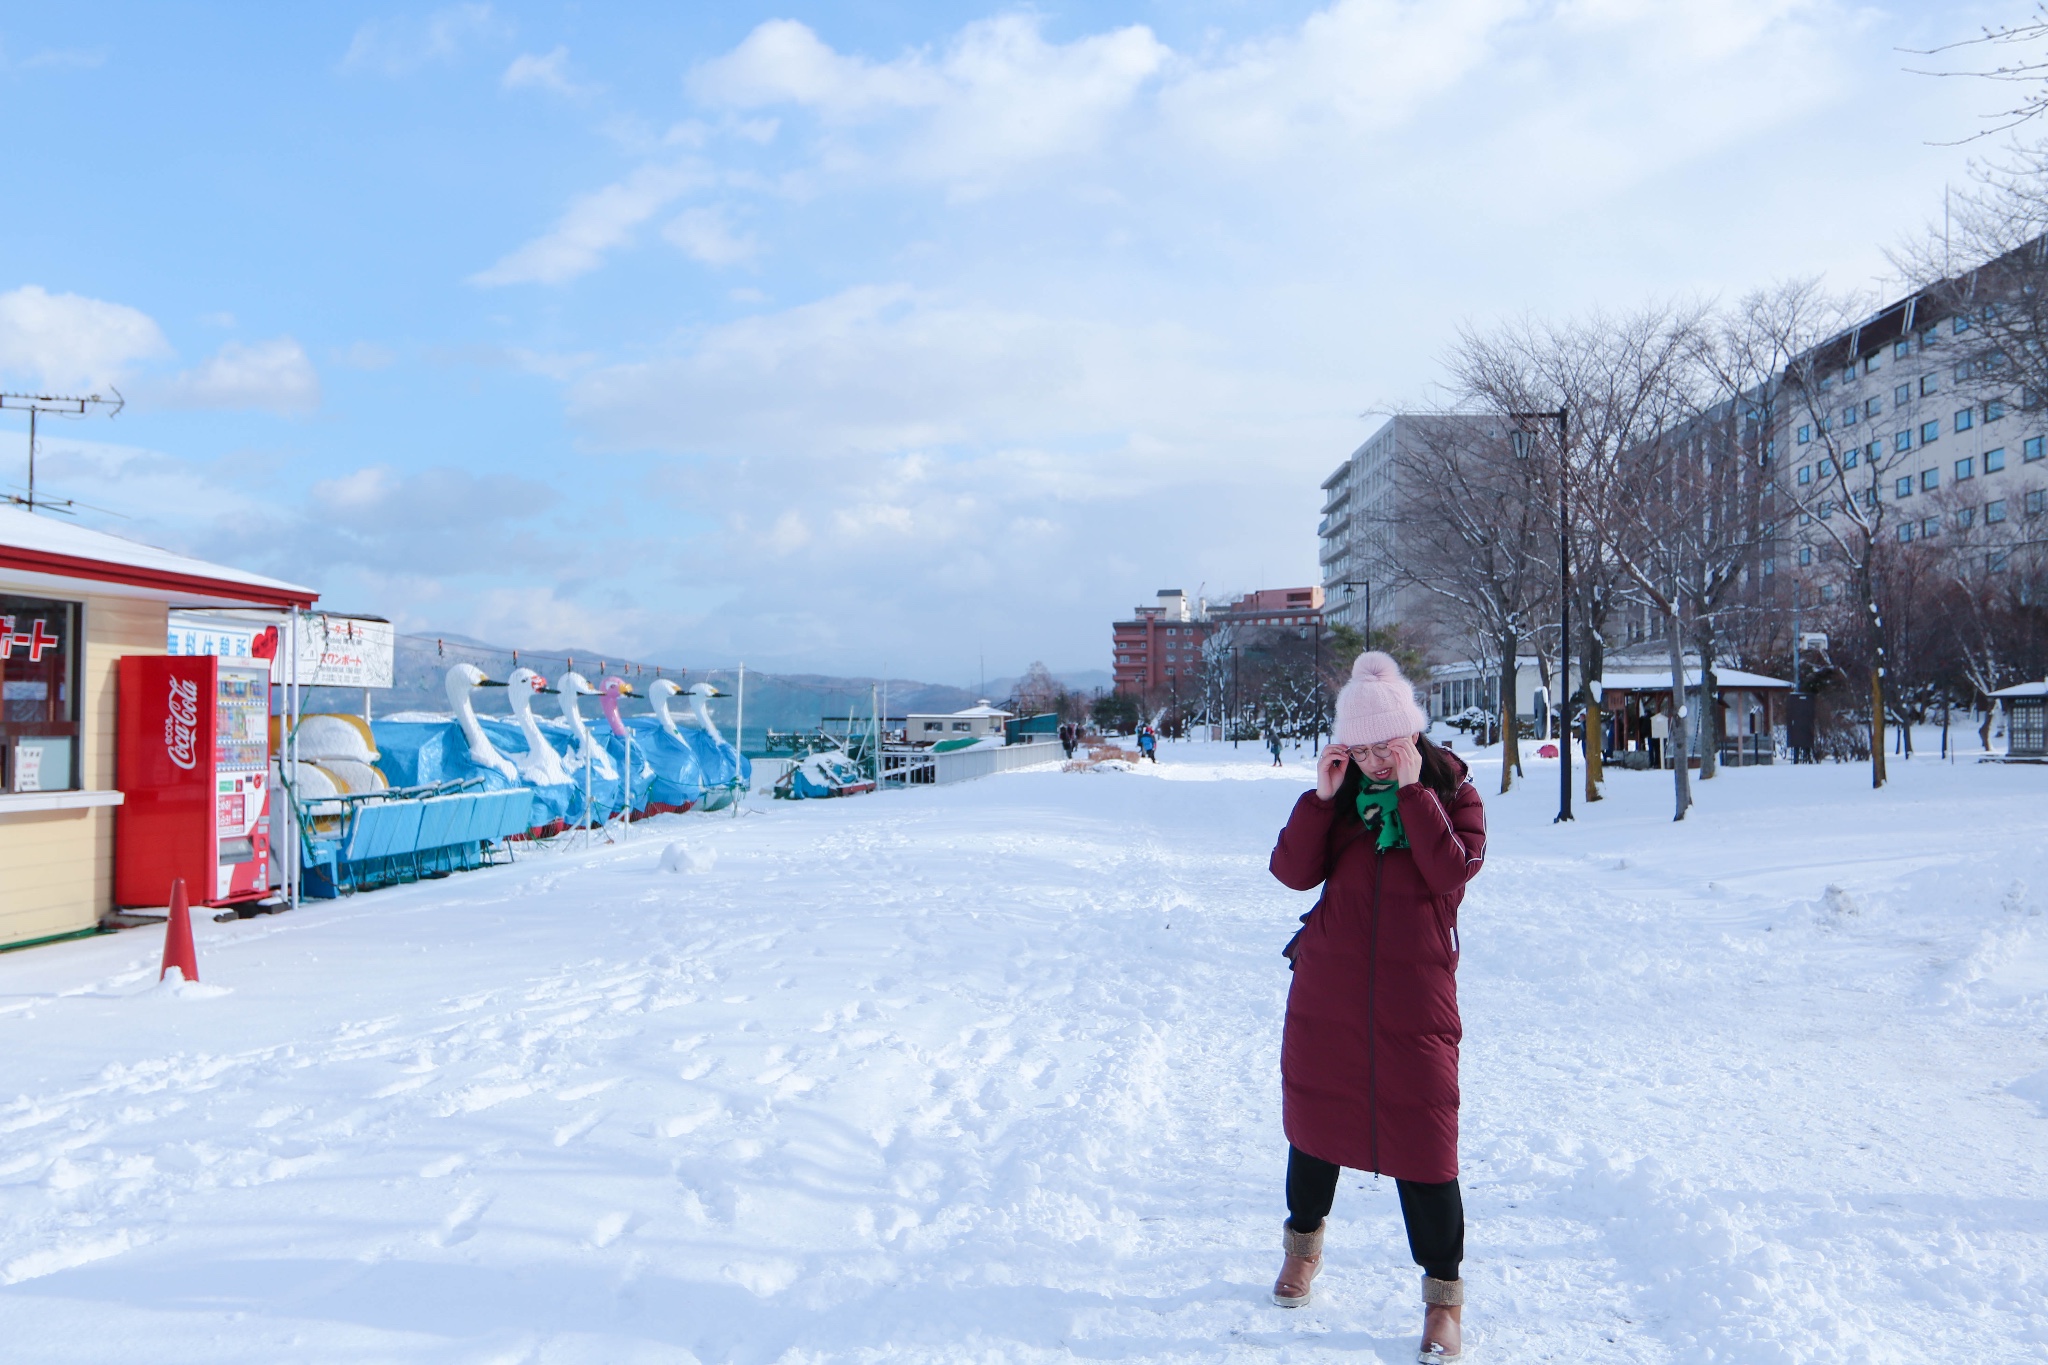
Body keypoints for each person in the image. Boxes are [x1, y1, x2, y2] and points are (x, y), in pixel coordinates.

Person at [1267, 651, 1486, 1365]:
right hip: (1330, 987)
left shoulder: (1452, 789)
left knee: (1427, 1143)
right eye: (1359, 748)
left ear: (1411, 736)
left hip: (1413, 993)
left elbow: (1452, 872)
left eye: (1385, 746)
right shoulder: (1346, 797)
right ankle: (1303, 1249)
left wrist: (1418, 794)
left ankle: (1442, 1299)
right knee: (1316, 1125)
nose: (1374, 760)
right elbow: (1291, 872)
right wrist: (1322, 798)